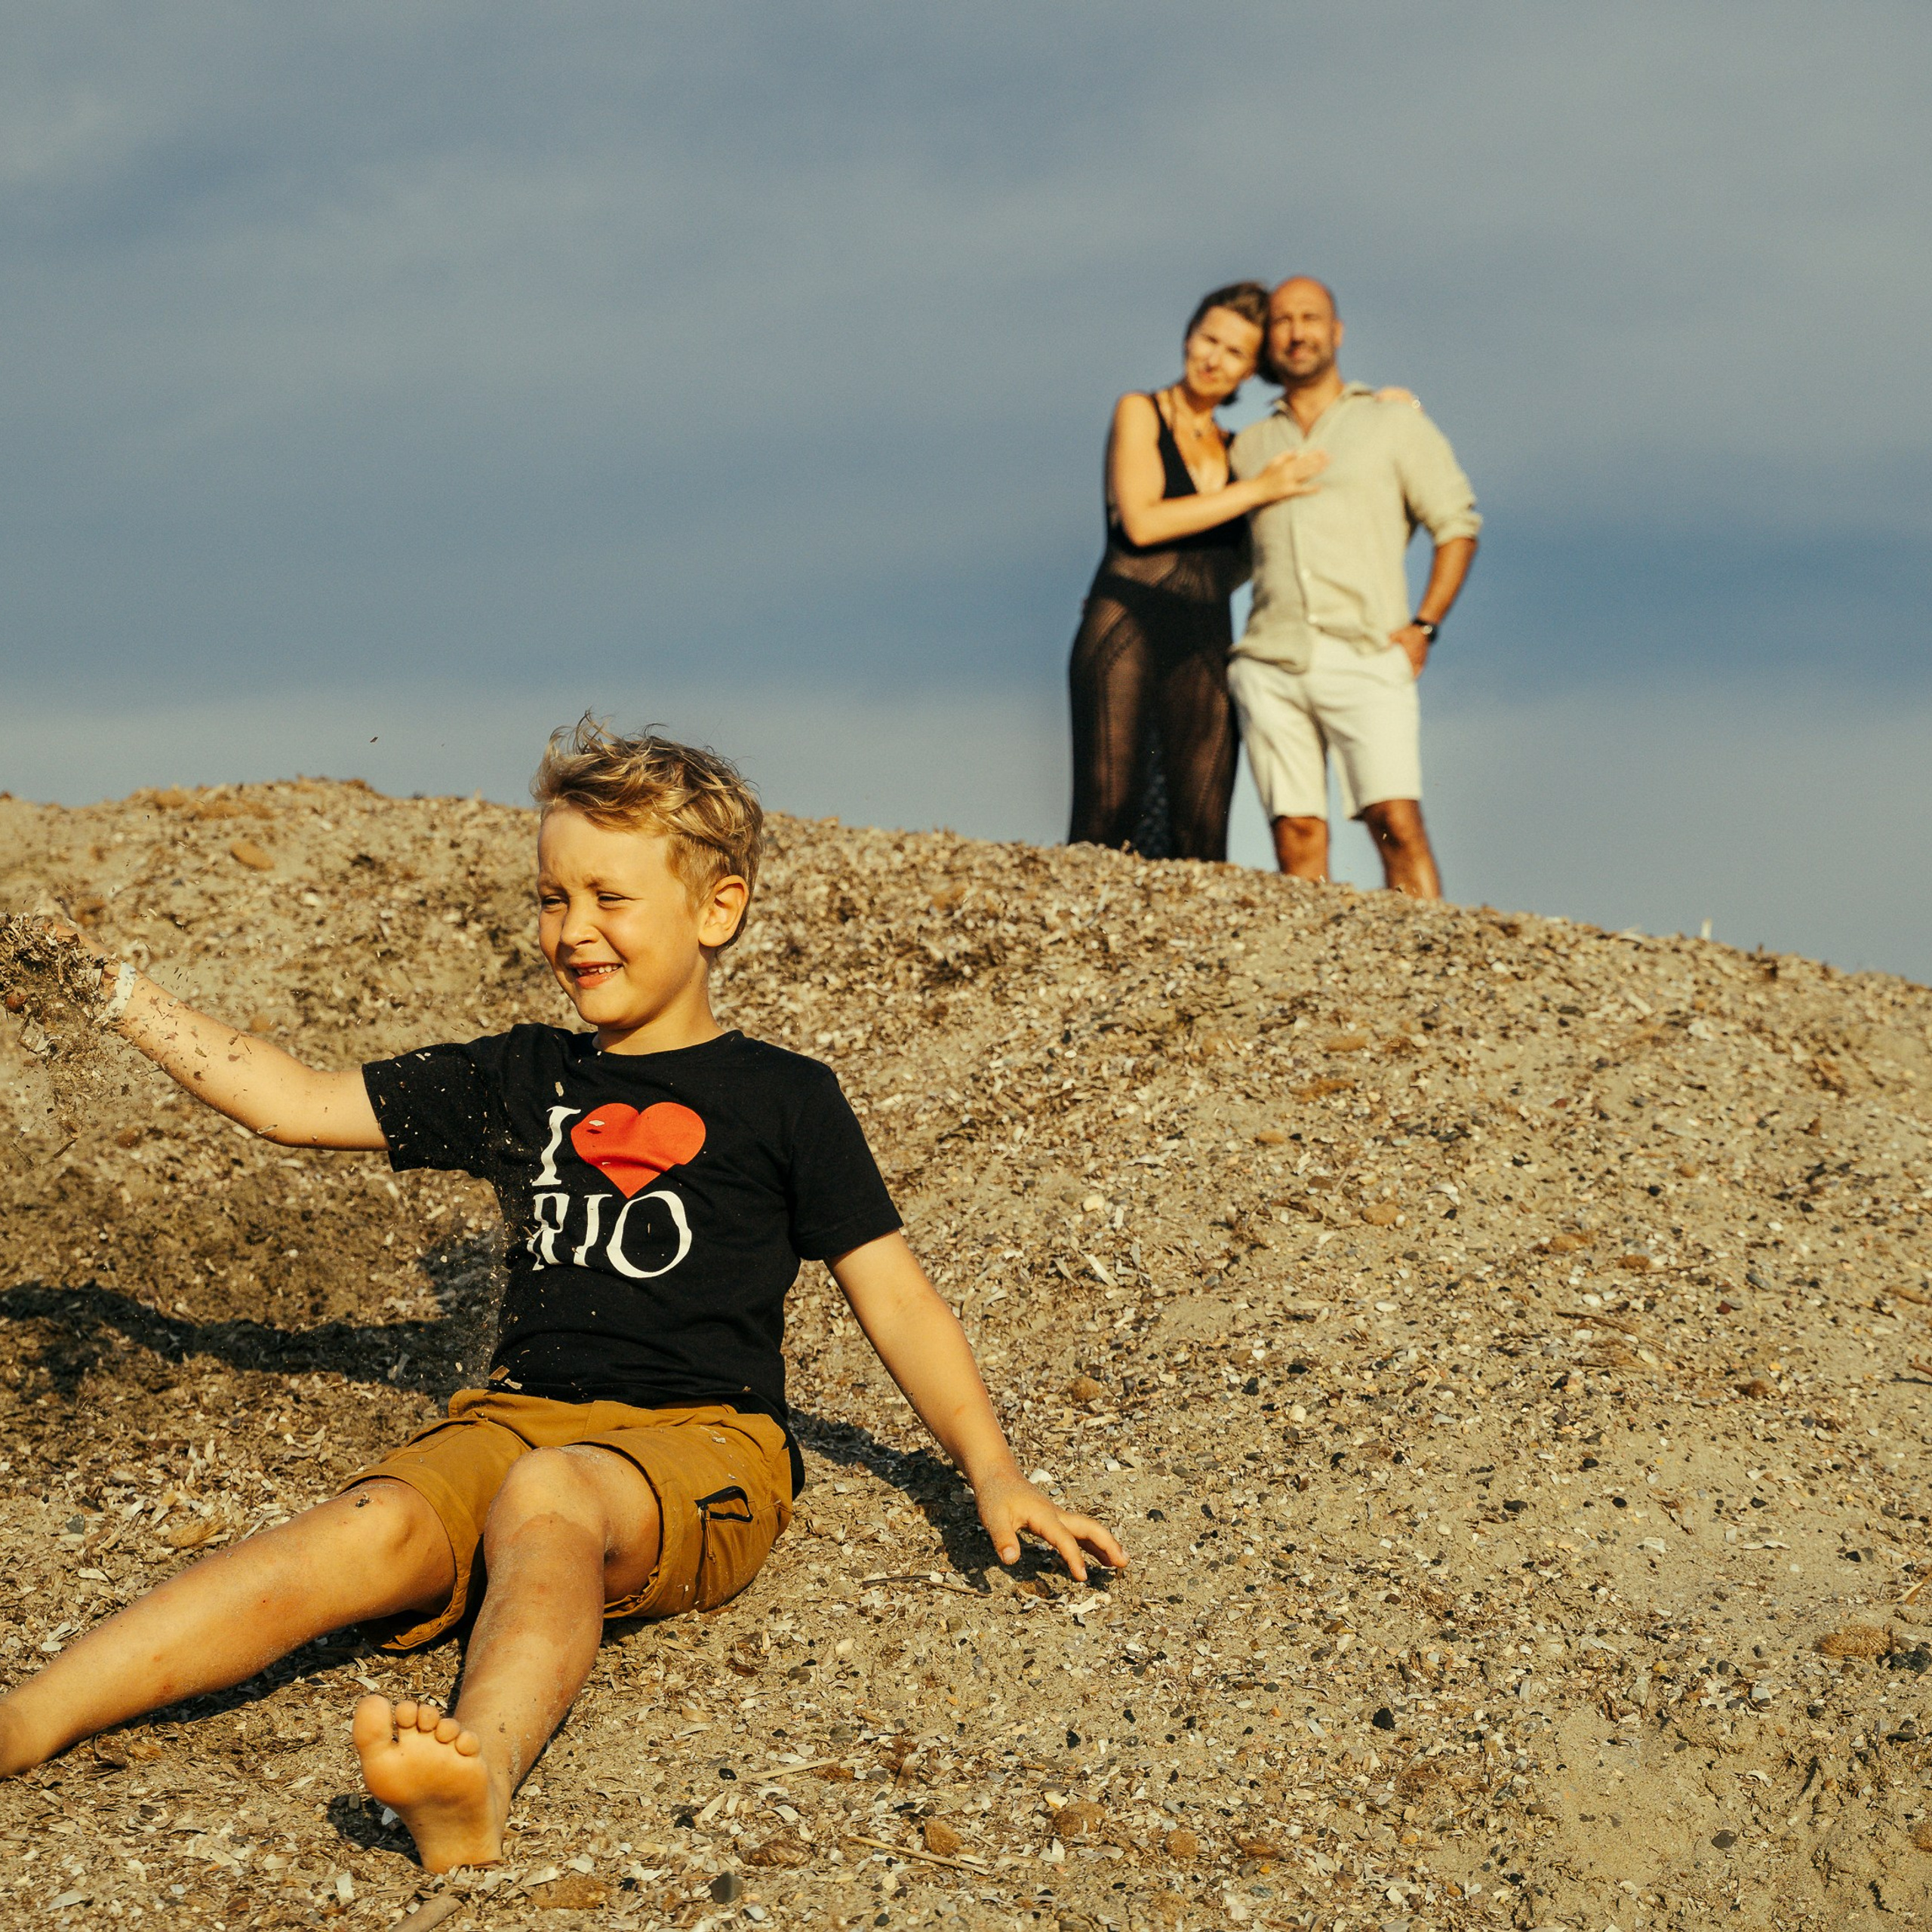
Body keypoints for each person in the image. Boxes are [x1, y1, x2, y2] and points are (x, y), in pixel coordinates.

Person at [0, 721, 1124, 1872]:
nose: (572, 929)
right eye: (551, 897)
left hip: (701, 1440)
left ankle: (474, 1780)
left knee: (552, 1492)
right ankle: (34, 1713)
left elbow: (894, 1295)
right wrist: (109, 990)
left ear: (717, 909)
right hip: (514, 1418)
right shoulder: (525, 1078)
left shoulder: (786, 1098)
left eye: (608, 897)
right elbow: (294, 1102)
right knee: (368, 1525)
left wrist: (992, 1469)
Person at [1227, 276, 1481, 898]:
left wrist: (1424, 625)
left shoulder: (1391, 423)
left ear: (1336, 332)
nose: (1297, 332)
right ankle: (1318, 957)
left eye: (1310, 317)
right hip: (1272, 657)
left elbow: (1456, 524)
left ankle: (1428, 951)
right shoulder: (1249, 447)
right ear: (1268, 340)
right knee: (1296, 833)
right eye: (1283, 320)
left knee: (1394, 821)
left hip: (1367, 650)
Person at [1066, 281, 1329, 861]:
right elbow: (1143, 523)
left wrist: (1391, 407)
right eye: (1209, 339)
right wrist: (1258, 490)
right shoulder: (1141, 411)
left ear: (1250, 370)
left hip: (1205, 637)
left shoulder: (1242, 449)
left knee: (1203, 834)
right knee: (1107, 813)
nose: (1214, 359)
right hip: (1127, 620)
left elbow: (1257, 548)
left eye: (1235, 352)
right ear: (1188, 337)